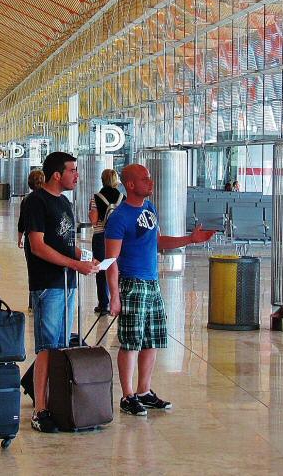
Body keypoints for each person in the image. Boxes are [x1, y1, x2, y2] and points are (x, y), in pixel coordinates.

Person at [104, 164, 215, 417]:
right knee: (131, 341)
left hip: (152, 283)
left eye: (150, 178)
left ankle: (144, 391)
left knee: (151, 339)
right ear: (130, 185)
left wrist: (189, 240)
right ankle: (127, 394)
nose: (151, 182)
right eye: (145, 179)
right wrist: (115, 297)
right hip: (132, 283)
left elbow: (157, 242)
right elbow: (111, 260)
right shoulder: (119, 218)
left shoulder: (149, 209)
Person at [22, 152, 98, 433]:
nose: (77, 175)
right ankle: (40, 408)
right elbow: (38, 246)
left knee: (61, 344)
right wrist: (74, 263)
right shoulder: (36, 202)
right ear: (57, 174)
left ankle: (53, 399)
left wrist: (87, 259)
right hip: (47, 283)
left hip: (67, 281)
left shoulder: (65, 202)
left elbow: (67, 244)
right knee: (47, 347)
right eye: (72, 170)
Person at [88, 168, 121, 316]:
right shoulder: (122, 197)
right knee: (117, 267)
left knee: (101, 269)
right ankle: (119, 300)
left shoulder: (96, 197)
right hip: (118, 238)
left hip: (101, 236)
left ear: (102, 180)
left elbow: (94, 220)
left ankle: (103, 304)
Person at [16, 169, 46, 249]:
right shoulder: (48, 199)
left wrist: (19, 239)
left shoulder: (26, 199)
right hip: (46, 241)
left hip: (29, 242)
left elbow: (21, 222)